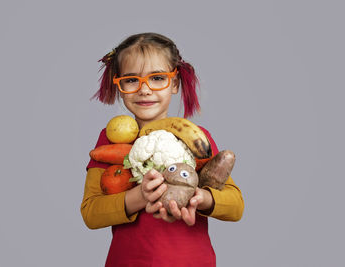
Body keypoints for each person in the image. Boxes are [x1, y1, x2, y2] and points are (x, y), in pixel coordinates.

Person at [81, 32, 244, 267]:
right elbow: (91, 212)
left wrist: (200, 198)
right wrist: (139, 197)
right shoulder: (108, 140)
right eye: (131, 80)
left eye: (157, 78)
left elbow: (236, 205)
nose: (144, 90)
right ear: (119, 85)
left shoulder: (197, 140)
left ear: (175, 83)